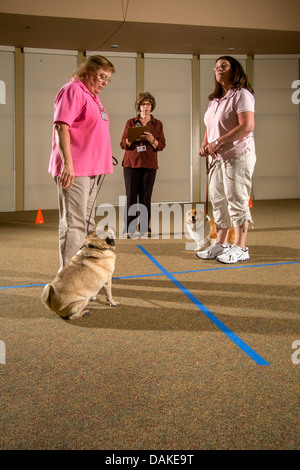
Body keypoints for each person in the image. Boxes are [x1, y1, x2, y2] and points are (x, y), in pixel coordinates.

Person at [48, 55, 116, 269]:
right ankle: (67, 278)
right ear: (88, 73)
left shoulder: (92, 95)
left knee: (86, 224)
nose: (105, 82)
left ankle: (83, 272)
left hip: (92, 170)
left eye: (108, 79)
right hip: (75, 169)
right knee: (74, 225)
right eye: (101, 77)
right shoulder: (74, 90)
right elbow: (61, 126)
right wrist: (68, 164)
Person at [198, 56, 256, 264]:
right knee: (219, 201)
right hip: (217, 158)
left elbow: (247, 126)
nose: (218, 69)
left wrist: (219, 142)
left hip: (237, 156)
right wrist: (205, 144)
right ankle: (221, 244)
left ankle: (241, 247)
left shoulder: (242, 95)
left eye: (224, 65)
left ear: (235, 70)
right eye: (216, 67)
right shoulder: (215, 99)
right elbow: (209, 126)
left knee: (237, 200)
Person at [120, 92, 166, 237]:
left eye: (148, 104)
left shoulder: (157, 124)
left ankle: (145, 227)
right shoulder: (131, 122)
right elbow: (122, 143)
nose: (145, 107)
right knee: (131, 196)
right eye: (142, 104)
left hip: (149, 164)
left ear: (152, 107)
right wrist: (131, 139)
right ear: (138, 107)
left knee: (146, 197)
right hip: (131, 163)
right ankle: (129, 227)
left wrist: (152, 139)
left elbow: (162, 145)